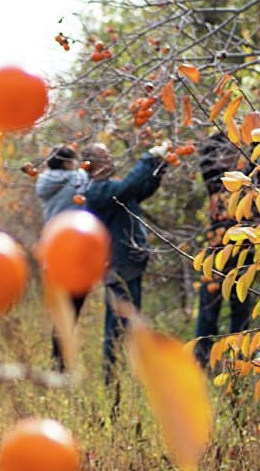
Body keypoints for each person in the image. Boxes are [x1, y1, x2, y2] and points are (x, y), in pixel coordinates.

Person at [82, 141, 166, 383]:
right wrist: (147, 158)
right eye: (104, 157)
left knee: (128, 322)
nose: (111, 160)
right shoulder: (98, 192)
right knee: (118, 324)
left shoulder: (112, 190)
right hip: (118, 266)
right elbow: (130, 186)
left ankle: (121, 377)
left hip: (128, 263)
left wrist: (159, 167)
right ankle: (111, 379)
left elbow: (140, 190)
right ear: (91, 165)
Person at [193, 134, 253, 367]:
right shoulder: (216, 180)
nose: (229, 156)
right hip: (216, 253)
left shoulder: (246, 179)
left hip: (245, 253)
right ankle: (201, 360)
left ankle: (238, 362)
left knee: (241, 309)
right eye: (224, 152)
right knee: (209, 307)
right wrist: (223, 134)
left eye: (233, 151)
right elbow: (205, 155)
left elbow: (257, 164)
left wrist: (254, 135)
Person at [35, 146, 89, 371]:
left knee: (62, 310)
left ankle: (58, 363)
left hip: (52, 252)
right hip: (73, 252)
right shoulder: (77, 180)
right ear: (67, 163)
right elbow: (85, 178)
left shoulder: (43, 182)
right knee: (71, 309)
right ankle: (62, 366)